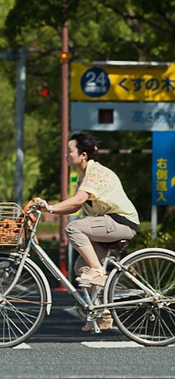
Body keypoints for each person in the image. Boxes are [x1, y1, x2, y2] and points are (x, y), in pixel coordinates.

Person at [34, 132, 139, 332]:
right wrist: (50, 208)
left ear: (83, 155)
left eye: (69, 151)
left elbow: (78, 201)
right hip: (108, 224)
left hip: (121, 222)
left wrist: (50, 208)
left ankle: (98, 270)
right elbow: (74, 207)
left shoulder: (96, 172)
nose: (65, 155)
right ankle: (104, 313)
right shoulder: (82, 177)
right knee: (81, 267)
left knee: (73, 228)